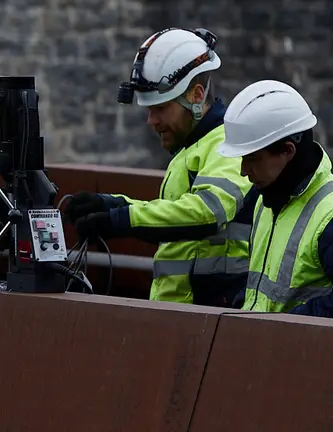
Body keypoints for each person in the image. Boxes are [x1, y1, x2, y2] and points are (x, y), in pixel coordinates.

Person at [63, 27, 258, 308]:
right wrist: (111, 205)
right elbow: (176, 213)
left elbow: (207, 211)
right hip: (185, 313)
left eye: (161, 108)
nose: (151, 121)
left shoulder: (225, 144)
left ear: (196, 95)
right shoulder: (194, 147)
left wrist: (121, 219)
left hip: (213, 316)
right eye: (148, 110)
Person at [215, 79, 333, 321]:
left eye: (252, 158)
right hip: (263, 347)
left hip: (301, 353)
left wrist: (290, 324)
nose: (243, 170)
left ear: (288, 151)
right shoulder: (266, 200)